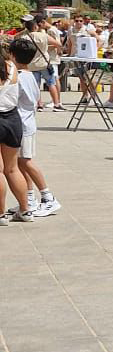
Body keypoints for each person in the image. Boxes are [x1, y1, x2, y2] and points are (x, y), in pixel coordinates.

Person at [6, 35, 58, 218]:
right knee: (20, 163)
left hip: (22, 123)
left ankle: (48, 196)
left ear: (12, 55)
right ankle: (29, 198)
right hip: (25, 122)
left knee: (25, 161)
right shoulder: (28, 75)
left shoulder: (18, 77)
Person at [0, 40, 33, 223]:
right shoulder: (11, 67)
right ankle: (25, 209)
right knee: (12, 169)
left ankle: (1, 213)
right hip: (12, 119)